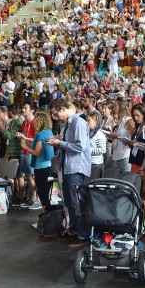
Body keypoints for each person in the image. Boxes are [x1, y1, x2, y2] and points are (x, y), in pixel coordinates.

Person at [49, 100, 92, 246]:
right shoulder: (69, 123)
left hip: (76, 167)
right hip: (68, 166)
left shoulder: (78, 123)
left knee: (76, 202)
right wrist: (60, 140)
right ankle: (74, 230)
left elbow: (80, 146)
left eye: (56, 114)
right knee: (69, 201)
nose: (55, 118)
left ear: (62, 109)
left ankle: (83, 234)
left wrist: (59, 143)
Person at [22, 110, 54, 214]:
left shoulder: (41, 135)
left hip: (41, 166)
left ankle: (47, 214)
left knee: (42, 192)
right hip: (45, 164)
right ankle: (46, 213)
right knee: (43, 191)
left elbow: (36, 152)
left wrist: (25, 147)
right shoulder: (48, 132)